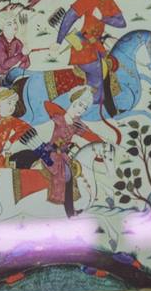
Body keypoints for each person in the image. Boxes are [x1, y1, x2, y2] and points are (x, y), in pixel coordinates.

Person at [56, 0, 126, 106]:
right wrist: (58, 41)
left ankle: (99, 103)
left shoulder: (110, 2)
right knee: (99, 71)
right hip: (83, 44)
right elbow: (69, 18)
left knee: (110, 67)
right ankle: (92, 102)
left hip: (98, 46)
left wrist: (103, 18)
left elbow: (121, 22)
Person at [37, 87, 104, 217]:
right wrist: (66, 114)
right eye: (80, 105)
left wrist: (103, 144)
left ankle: (70, 210)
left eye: (85, 108)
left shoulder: (77, 125)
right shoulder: (59, 117)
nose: (81, 110)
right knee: (66, 173)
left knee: (74, 171)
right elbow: (47, 104)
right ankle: (65, 208)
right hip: (51, 151)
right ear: (73, 102)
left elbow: (91, 136)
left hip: (63, 154)